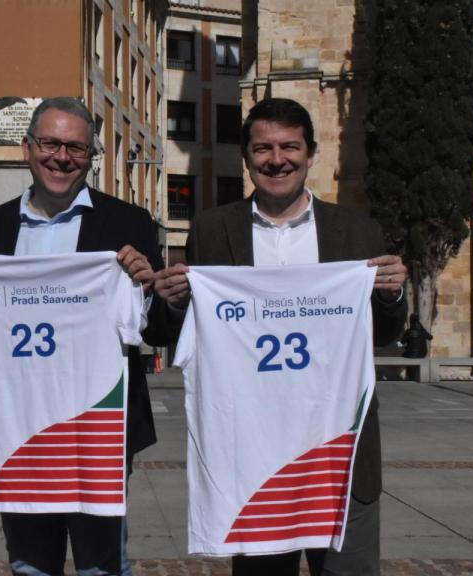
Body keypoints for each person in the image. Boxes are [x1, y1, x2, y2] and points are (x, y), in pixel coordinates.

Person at [0, 96, 168, 576]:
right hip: (17, 428)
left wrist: (147, 288)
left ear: (90, 158)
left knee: (102, 568)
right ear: (27, 148)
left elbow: (152, 328)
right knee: (30, 567)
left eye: (75, 147)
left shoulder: (128, 223)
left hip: (96, 430)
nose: (61, 157)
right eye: (50, 143)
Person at [154, 97, 407, 576]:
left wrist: (392, 295)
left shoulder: (358, 231)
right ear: (246, 158)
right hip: (254, 459)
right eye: (263, 148)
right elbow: (182, 330)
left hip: (339, 457)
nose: (277, 160)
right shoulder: (211, 230)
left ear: (312, 154)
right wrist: (172, 298)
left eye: (290, 147)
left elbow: (385, 334)